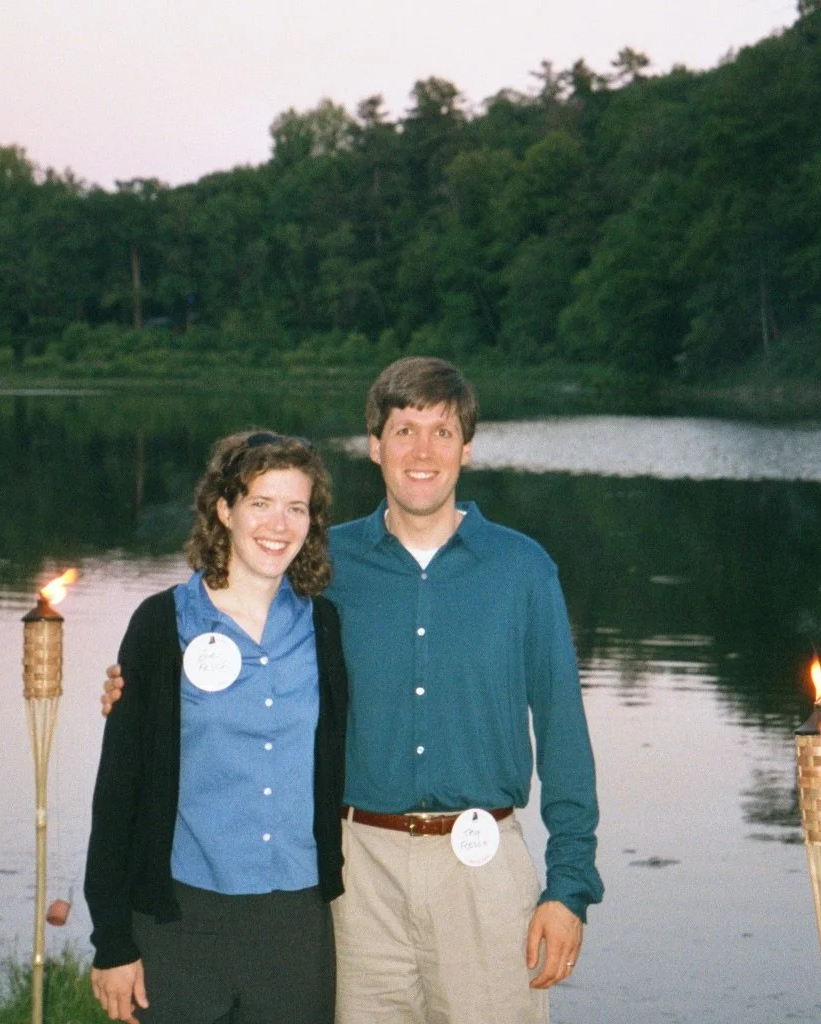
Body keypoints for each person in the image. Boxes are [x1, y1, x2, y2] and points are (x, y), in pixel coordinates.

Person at [104, 357, 602, 1024]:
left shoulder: (523, 570)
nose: (422, 452)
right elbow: (224, 618)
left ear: (467, 447)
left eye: (442, 432)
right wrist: (141, 688)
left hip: (483, 870)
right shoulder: (321, 565)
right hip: (358, 875)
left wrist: (568, 888)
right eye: (404, 431)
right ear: (375, 445)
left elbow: (565, 735)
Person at [84, 430, 348, 1024]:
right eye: (260, 503)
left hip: (295, 922)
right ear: (224, 510)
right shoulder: (160, 624)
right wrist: (112, 941)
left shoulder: (324, 626)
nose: (278, 524)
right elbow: (118, 791)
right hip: (181, 919)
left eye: (296, 507)